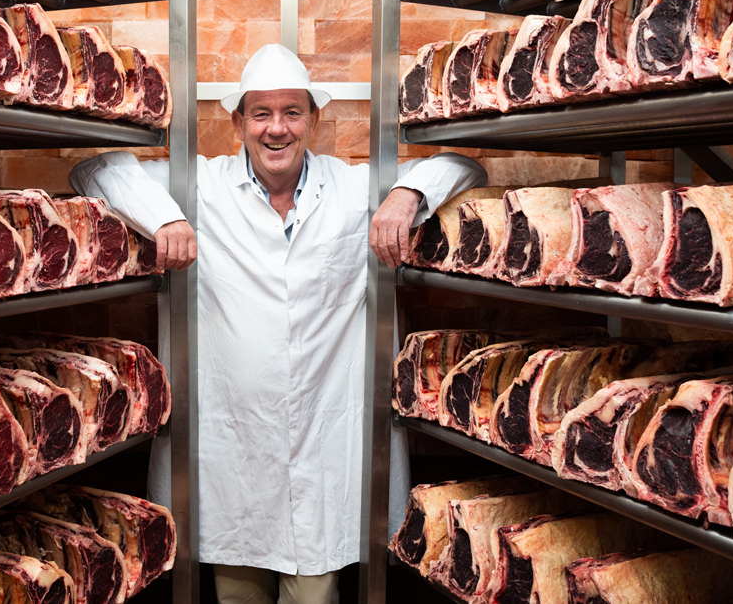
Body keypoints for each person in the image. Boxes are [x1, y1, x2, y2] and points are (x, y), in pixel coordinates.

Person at [69, 44, 487, 604]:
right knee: (237, 593)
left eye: (292, 112)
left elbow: (465, 163)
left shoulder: (353, 186)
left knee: (314, 593)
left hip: (324, 447)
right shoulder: (199, 186)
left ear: (313, 119)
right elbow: (93, 169)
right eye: (261, 114)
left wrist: (408, 195)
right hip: (231, 451)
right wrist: (164, 215)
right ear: (238, 122)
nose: (277, 129)